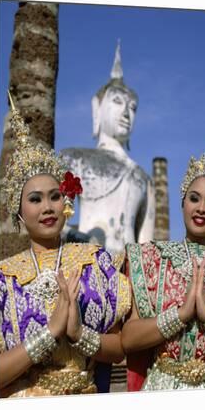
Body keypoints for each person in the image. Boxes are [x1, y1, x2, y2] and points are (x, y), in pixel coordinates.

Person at [0, 92, 131, 398]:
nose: (47, 207)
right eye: (35, 199)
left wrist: (78, 334)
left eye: (54, 196)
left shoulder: (93, 261)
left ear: (65, 202)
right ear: (19, 212)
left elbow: (119, 346)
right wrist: (49, 334)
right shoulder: (2, 278)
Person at [122, 111, 205, 391]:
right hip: (162, 389)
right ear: (183, 202)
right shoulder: (149, 259)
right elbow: (128, 339)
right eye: (194, 199)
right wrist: (180, 315)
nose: (201, 208)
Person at [61, 41, 155, 254]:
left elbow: (146, 245)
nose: (126, 113)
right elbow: (50, 222)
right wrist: (77, 238)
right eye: (117, 101)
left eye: (132, 107)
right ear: (97, 107)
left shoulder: (143, 178)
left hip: (127, 272)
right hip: (83, 263)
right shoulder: (74, 159)